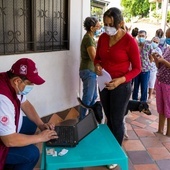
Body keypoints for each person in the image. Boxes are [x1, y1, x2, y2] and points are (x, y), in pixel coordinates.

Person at [94, 7, 141, 145]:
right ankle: (110, 148)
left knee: (117, 120)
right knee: (108, 117)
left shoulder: (129, 41)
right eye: (105, 24)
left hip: (121, 86)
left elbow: (138, 68)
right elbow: (97, 58)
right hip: (104, 84)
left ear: (120, 23)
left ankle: (116, 151)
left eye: (111, 25)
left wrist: (120, 80)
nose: (107, 28)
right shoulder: (103, 38)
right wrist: (97, 66)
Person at [0, 58, 58, 170]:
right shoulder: (2, 98)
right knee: (32, 154)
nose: (32, 86)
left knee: (31, 124)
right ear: (17, 81)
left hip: (5, 135)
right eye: (30, 83)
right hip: (4, 141)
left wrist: (41, 125)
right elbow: (9, 140)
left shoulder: (9, 81)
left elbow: (25, 104)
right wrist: (40, 138)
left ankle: (12, 163)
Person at [79, 17, 103, 120]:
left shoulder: (90, 38)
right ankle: (82, 120)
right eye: (98, 26)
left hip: (90, 71)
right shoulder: (88, 39)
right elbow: (94, 58)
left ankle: (89, 120)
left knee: (93, 98)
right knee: (88, 99)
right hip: (88, 71)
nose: (100, 28)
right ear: (92, 27)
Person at [151, 28, 170, 136]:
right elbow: (160, 66)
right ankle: (160, 129)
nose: (167, 39)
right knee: (161, 106)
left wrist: (163, 61)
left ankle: (168, 132)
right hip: (160, 81)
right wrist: (157, 59)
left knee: (168, 108)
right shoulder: (167, 49)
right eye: (166, 36)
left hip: (168, 84)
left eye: (169, 37)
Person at [132, 30, 152, 102]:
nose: (141, 37)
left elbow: (151, 57)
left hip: (145, 70)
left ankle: (143, 101)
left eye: (143, 36)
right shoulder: (135, 45)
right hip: (136, 70)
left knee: (144, 87)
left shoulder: (148, 46)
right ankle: (134, 100)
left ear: (146, 37)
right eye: (140, 36)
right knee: (135, 86)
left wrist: (146, 64)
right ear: (138, 36)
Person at [148, 36, 162, 103]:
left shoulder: (158, 50)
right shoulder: (147, 46)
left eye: (156, 42)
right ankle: (144, 95)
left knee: (151, 82)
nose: (155, 43)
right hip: (146, 67)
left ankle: (149, 97)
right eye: (154, 41)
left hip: (153, 69)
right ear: (151, 40)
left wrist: (152, 59)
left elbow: (159, 60)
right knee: (145, 83)